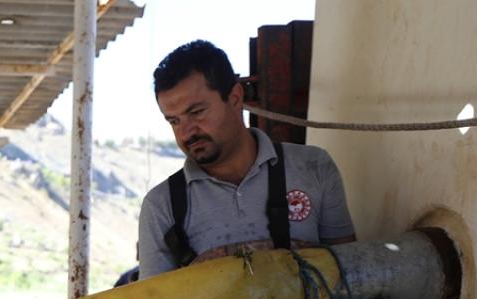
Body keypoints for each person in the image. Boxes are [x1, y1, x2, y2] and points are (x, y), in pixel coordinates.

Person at [136, 40, 356, 281]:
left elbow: (350, 276)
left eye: (196, 112)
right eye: (174, 121)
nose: (186, 132)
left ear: (235, 98)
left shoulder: (314, 167)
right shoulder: (161, 207)